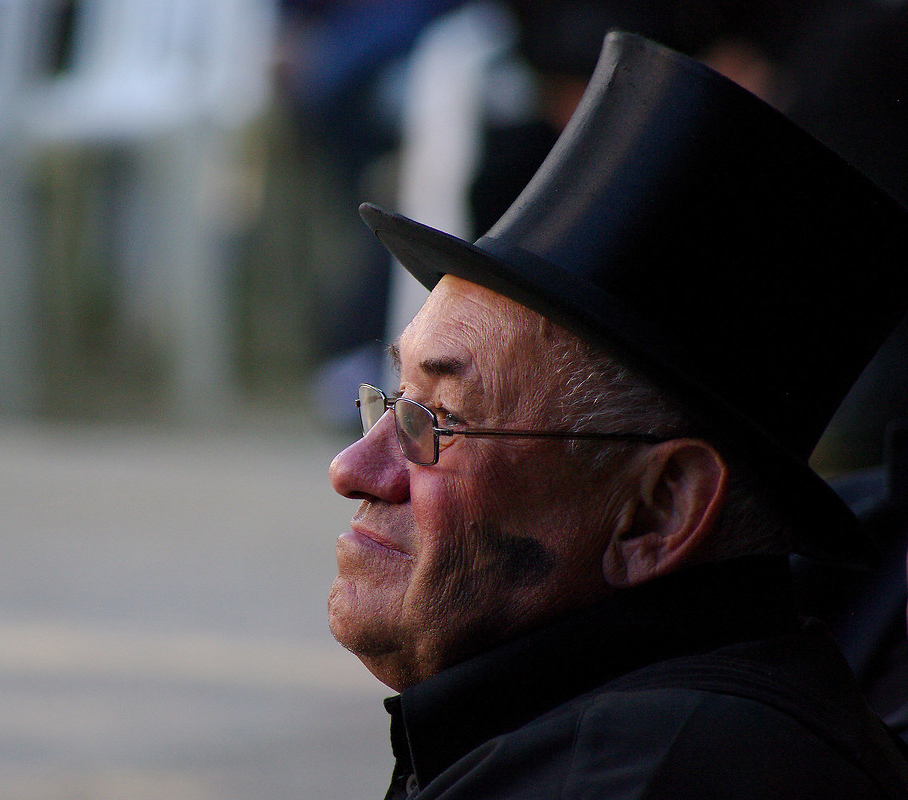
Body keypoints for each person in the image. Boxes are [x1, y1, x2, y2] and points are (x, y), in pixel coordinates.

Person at [326, 31, 908, 798]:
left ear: (659, 509)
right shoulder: (594, 729)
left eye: (437, 421)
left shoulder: (641, 773)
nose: (353, 468)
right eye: (395, 399)